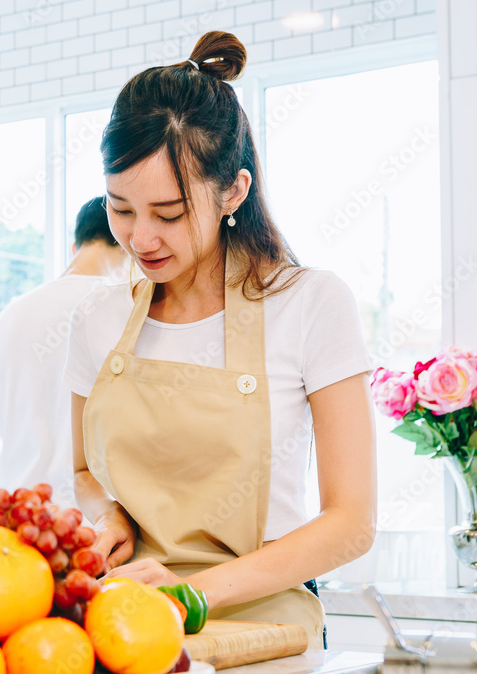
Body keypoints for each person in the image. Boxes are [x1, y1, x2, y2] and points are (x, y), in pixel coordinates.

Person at [64, 31, 376, 648]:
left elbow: (352, 523)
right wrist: (109, 513)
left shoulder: (310, 304)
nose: (141, 238)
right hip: (124, 623)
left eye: (170, 214)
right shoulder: (97, 319)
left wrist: (194, 594)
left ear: (233, 190)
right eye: (120, 209)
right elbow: (81, 470)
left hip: (262, 628)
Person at [0, 197, 126, 509]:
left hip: (22, 537)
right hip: (107, 539)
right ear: (129, 242)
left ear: (75, 247)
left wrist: (29, 484)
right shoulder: (136, 312)